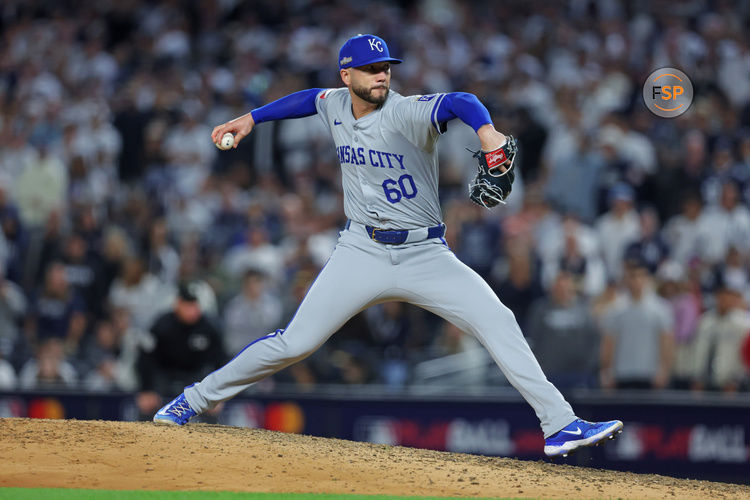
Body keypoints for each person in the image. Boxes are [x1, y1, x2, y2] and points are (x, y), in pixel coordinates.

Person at [153, 34, 622, 458]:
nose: (382, 75)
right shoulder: (336, 102)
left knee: (497, 320)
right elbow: (308, 100)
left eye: (386, 68)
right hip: (361, 250)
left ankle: (559, 424)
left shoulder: (407, 111)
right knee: (295, 343)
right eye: (371, 69)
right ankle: (192, 400)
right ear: (347, 75)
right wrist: (252, 118)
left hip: (426, 254)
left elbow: (461, 100)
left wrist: (487, 132)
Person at [137, 282, 225, 418]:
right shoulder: (161, 325)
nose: (191, 310)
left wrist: (217, 393)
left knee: (213, 410)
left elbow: (220, 361)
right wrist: (146, 389)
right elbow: (145, 357)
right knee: (147, 408)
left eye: (194, 305)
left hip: (196, 379)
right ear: (177, 304)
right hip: (164, 378)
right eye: (187, 305)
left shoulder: (210, 328)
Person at [599, 258, 674, 390]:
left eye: (641, 276)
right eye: (633, 276)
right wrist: (606, 371)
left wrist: (664, 371)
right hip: (621, 375)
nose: (637, 281)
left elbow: (666, 342)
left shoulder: (661, 309)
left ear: (647, 278)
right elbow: (609, 342)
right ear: (626, 279)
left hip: (650, 376)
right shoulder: (616, 309)